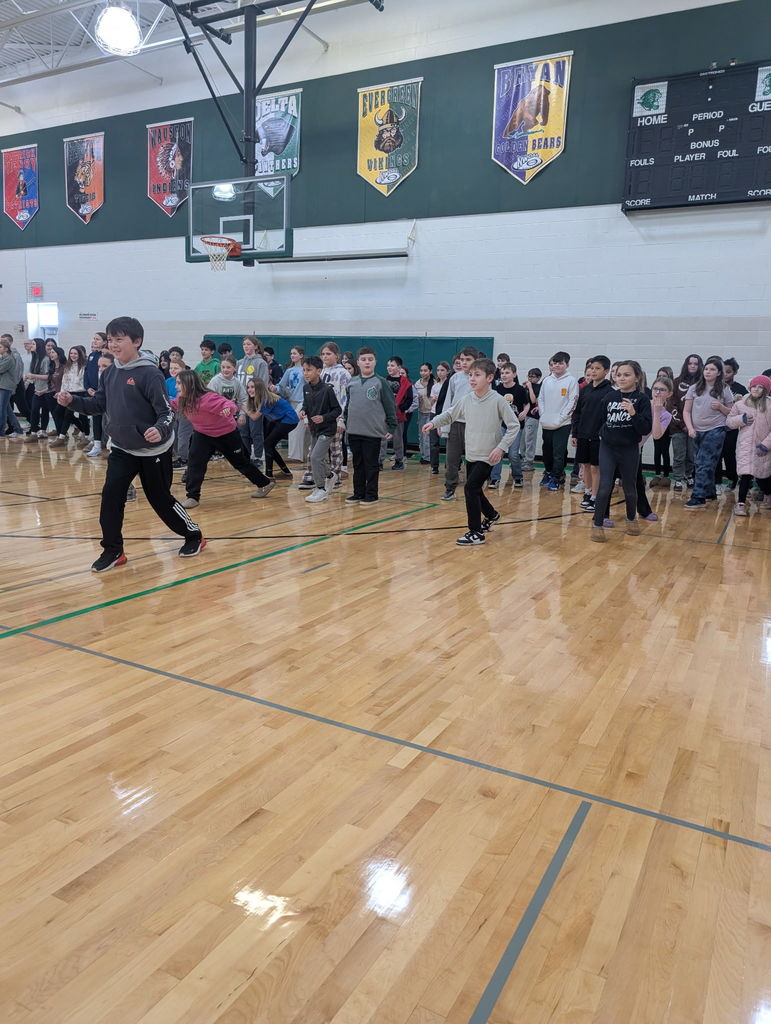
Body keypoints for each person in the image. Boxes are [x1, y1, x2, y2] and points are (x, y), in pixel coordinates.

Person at [56, 316, 205, 571]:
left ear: (136, 341)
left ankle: (194, 536)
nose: (113, 344)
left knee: (160, 499)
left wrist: (159, 430)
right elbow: (99, 405)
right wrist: (73, 402)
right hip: (122, 448)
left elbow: (166, 412)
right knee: (111, 498)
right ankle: (113, 551)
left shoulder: (150, 374)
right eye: (110, 339)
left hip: (153, 451)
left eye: (119, 339)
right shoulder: (111, 372)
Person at [424, 358, 519, 546]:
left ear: (490, 377)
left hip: (489, 455)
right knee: (475, 490)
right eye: (470, 375)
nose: (472, 379)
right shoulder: (467, 399)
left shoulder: (498, 401)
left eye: (477, 375)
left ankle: (475, 532)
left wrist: (501, 447)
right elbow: (451, 414)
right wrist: (434, 422)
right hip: (472, 453)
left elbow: (514, 426)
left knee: (470, 489)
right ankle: (491, 514)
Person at [171, 369, 275, 509]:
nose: (176, 386)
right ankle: (193, 497)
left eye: (179, 383)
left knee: (241, 463)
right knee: (195, 462)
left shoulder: (208, 398)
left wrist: (228, 409)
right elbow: (171, 403)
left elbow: (229, 404)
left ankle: (264, 483)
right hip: (202, 434)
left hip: (226, 434)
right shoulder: (181, 399)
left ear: (189, 384)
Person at [591, 360, 652, 542]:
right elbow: (601, 419)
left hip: (629, 448)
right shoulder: (609, 397)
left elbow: (644, 428)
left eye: (627, 374)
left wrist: (633, 413)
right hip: (608, 447)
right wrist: (602, 434)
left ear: (637, 377)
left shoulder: (641, 400)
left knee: (629, 487)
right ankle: (597, 523)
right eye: (619, 375)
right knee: (604, 487)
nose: (622, 378)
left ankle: (631, 518)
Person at [344, 347, 397, 505]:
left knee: (371, 464)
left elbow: (390, 406)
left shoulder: (381, 382)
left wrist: (391, 426)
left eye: (370, 359)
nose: (367, 362)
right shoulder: (351, 382)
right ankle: (358, 492)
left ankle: (371, 494)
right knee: (358, 464)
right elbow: (348, 406)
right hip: (354, 430)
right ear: (358, 362)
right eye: (364, 359)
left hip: (372, 432)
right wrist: (344, 422)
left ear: (375, 362)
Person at [682, 357, 736, 510]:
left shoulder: (724, 389)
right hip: (697, 431)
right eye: (706, 369)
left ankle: (698, 496)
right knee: (707, 463)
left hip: (716, 430)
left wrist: (720, 407)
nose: (708, 372)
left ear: (719, 373)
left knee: (702, 463)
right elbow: (686, 411)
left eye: (712, 369)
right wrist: (690, 428)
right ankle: (710, 492)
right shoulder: (694, 388)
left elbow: (732, 413)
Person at [570, 356, 612, 514]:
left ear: (606, 371)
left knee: (596, 468)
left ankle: (595, 497)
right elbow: (578, 412)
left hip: (598, 437)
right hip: (583, 434)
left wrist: (604, 434)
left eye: (597, 368)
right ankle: (587, 493)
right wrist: (575, 433)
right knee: (585, 465)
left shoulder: (609, 392)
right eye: (591, 368)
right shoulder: (585, 389)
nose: (593, 371)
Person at [299, 355, 342, 503]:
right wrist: (303, 411)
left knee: (315, 457)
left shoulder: (327, 390)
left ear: (319, 371)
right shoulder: (306, 388)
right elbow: (306, 404)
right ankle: (330, 476)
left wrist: (324, 417)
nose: (305, 373)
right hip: (314, 429)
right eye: (304, 370)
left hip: (327, 429)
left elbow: (337, 410)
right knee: (319, 458)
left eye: (309, 370)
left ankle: (320, 489)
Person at [727, 375, 771, 515]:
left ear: (765, 390)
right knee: (745, 475)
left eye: (760, 387)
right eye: (754, 386)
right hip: (745, 446)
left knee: (762, 477)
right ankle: (740, 504)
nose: (756, 389)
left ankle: (768, 494)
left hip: (763, 448)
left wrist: (766, 445)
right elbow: (729, 422)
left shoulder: (769, 406)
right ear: (750, 387)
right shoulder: (741, 404)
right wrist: (741, 419)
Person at [441, 345, 478, 500]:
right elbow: (448, 403)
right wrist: (444, 426)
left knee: (473, 458)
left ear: (476, 361)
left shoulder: (479, 378)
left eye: (468, 360)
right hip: (456, 424)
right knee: (451, 459)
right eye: (462, 359)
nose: (463, 362)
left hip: (474, 425)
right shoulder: (454, 379)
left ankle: (473, 489)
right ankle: (450, 488)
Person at [538, 351, 578, 490]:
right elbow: (541, 399)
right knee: (546, 450)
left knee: (558, 452)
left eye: (560, 363)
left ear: (567, 364)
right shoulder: (547, 380)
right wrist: (543, 415)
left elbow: (572, 401)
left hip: (563, 424)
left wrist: (561, 418)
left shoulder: (571, 380)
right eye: (554, 363)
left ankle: (556, 477)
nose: (557, 365)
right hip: (547, 422)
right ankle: (548, 472)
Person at [245, 378, 299, 479]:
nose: (249, 390)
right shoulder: (260, 398)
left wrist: (243, 408)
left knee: (267, 444)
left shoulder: (265, 399)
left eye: (253, 387)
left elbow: (255, 417)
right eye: (248, 387)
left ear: (259, 388)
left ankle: (269, 475)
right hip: (279, 419)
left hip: (289, 420)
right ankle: (286, 472)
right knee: (269, 445)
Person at [489, 361, 528, 489]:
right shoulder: (497, 389)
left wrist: (524, 412)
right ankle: (495, 478)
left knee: (513, 454)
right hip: (500, 425)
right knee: (497, 452)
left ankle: (517, 476)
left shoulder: (520, 390)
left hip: (515, 426)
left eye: (507, 373)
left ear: (514, 374)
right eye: (502, 373)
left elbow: (527, 404)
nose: (504, 375)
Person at [671, 353, 703, 491]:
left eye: (696, 364)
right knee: (679, 454)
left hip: (695, 427)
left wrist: (692, 425)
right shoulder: (676, 382)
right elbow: (671, 405)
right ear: (686, 365)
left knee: (691, 455)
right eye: (690, 363)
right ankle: (678, 478)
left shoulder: (703, 384)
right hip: (678, 427)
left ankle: (689, 475)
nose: (693, 366)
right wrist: (683, 424)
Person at [716, 356, 748, 492]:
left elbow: (746, 408)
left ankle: (732, 478)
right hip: (716, 426)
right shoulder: (715, 387)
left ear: (735, 372)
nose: (725, 375)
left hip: (732, 428)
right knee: (716, 455)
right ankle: (716, 481)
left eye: (728, 372)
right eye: (723, 371)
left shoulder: (740, 389)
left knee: (729, 455)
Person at [236, 336, 269, 464]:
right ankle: (246, 455)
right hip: (242, 402)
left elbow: (263, 384)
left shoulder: (261, 363)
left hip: (255, 401)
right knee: (243, 431)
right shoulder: (239, 363)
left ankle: (258, 456)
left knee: (256, 431)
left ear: (255, 346)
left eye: (249, 344)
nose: (246, 346)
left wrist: (258, 400)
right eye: (244, 344)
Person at [49, 345, 89, 447]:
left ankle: (87, 436)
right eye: (71, 353)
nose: (73, 355)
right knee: (61, 413)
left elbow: (83, 381)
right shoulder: (68, 366)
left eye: (75, 353)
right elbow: (64, 381)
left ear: (80, 355)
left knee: (82, 416)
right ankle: (62, 437)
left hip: (81, 393)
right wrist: (62, 392)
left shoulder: (84, 366)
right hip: (69, 393)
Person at [379, 355, 411, 472]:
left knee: (398, 440)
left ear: (399, 367)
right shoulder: (383, 380)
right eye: (388, 365)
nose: (389, 368)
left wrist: (401, 408)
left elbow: (409, 399)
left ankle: (399, 461)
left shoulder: (406, 383)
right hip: (384, 416)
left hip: (398, 416)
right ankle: (379, 461)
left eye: (392, 365)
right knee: (382, 439)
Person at [277, 345, 307, 462]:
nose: (292, 355)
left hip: (302, 401)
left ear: (301, 355)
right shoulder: (289, 370)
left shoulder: (305, 370)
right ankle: (300, 455)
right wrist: (274, 388)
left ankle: (296, 456)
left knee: (297, 429)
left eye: (294, 353)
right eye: (291, 353)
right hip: (292, 401)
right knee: (295, 428)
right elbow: (281, 386)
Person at [21, 338, 52, 441]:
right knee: (34, 410)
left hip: (46, 390)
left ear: (38, 345)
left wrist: (33, 375)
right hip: (37, 388)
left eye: (33, 344)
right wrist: (29, 378)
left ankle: (43, 431)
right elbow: (35, 374)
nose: (31, 346)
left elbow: (47, 376)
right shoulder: (35, 358)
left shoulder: (46, 359)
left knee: (45, 411)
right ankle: (34, 432)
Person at [429, 361, 451, 476]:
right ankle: (434, 466)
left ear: (448, 371)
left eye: (442, 370)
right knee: (434, 442)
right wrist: (433, 399)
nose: (440, 372)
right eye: (438, 370)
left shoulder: (450, 384)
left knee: (449, 442)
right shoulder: (435, 386)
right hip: (434, 413)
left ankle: (450, 465)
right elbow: (430, 402)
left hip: (447, 414)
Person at [521, 367, 542, 472]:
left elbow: (534, 401)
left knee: (530, 440)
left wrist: (529, 387)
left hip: (533, 417)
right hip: (525, 416)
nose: (530, 378)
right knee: (523, 440)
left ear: (538, 378)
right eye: (529, 376)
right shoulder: (525, 386)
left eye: (532, 376)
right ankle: (523, 460)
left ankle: (529, 462)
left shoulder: (538, 387)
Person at [414, 362, 435, 465]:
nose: (423, 372)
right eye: (421, 370)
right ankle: (423, 455)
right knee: (421, 436)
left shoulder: (435, 383)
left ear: (430, 371)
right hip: (421, 412)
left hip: (431, 413)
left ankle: (428, 457)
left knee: (427, 436)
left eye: (425, 370)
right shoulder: (417, 384)